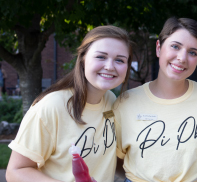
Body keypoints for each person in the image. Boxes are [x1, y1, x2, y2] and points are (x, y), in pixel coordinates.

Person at [6, 25, 132, 181]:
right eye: (101, 57)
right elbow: (16, 171)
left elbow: (109, 159)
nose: (109, 66)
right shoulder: (52, 106)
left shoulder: (111, 101)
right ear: (83, 59)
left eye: (120, 60)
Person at [113, 17, 197, 182]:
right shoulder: (126, 102)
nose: (182, 58)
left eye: (193, 52)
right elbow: (115, 157)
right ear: (158, 48)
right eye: (175, 46)